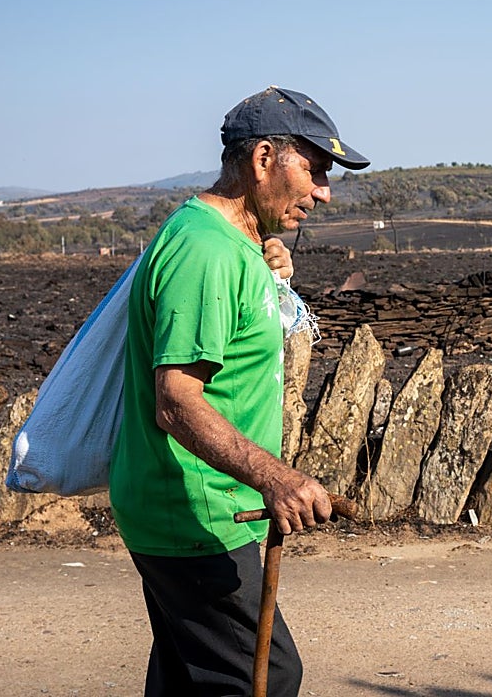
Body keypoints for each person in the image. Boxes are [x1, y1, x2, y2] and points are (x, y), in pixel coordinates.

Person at [109, 86, 370, 696]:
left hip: (190, 506)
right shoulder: (205, 252)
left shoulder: (228, 241)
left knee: (187, 676)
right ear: (261, 160)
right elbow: (176, 401)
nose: (325, 191)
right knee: (264, 677)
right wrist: (278, 479)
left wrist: (262, 257)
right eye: (314, 168)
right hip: (197, 514)